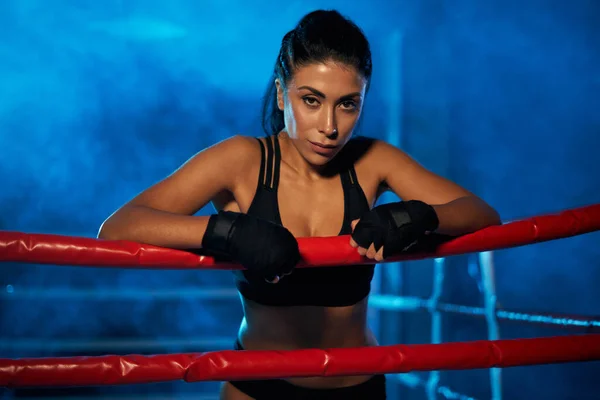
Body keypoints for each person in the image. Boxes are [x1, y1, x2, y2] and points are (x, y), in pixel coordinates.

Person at [98, 9, 501, 400]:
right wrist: (225, 232)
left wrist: (418, 217)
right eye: (311, 100)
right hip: (256, 385)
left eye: (348, 104)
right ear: (280, 93)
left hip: (355, 385)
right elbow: (118, 227)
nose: (329, 127)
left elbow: (483, 215)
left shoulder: (373, 160)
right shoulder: (241, 161)